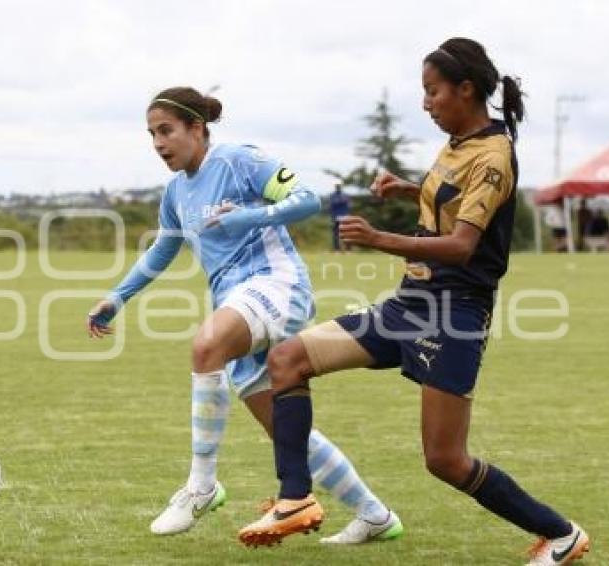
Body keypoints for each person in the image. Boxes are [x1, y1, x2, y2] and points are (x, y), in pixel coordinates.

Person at [238, 38, 590, 566]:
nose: (425, 102)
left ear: (465, 89)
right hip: (408, 306)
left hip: (455, 317)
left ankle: (562, 534)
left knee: (446, 460)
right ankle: (294, 498)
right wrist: (409, 190)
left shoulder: (494, 155)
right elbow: (447, 195)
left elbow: (462, 245)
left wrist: (379, 237)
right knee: (287, 359)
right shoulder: (456, 143)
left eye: (432, 91)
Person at [86, 86, 401, 544]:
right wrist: (118, 297)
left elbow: (308, 198)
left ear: (197, 128)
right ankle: (375, 515)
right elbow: (163, 249)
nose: (158, 143)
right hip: (236, 303)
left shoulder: (238, 160)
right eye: (152, 134)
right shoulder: (175, 192)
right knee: (286, 431)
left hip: (276, 284)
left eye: (167, 130)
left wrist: (247, 219)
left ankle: (201, 487)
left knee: (206, 345)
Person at [329, 184, 351, 252]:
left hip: (345, 216)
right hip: (336, 217)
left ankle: (347, 250)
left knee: (347, 234)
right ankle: (337, 249)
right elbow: (332, 205)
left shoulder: (345, 195)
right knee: (336, 234)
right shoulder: (333, 195)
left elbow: (348, 205)